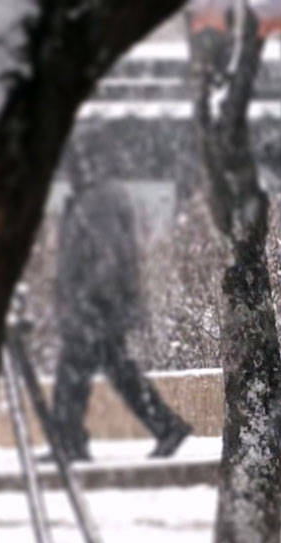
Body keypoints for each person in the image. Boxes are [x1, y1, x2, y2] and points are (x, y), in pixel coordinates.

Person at [51, 176, 191, 461]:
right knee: (117, 372)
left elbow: (108, 258)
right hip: (97, 308)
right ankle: (165, 426)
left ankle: (70, 441)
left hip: (96, 309)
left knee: (75, 374)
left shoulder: (98, 201)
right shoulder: (92, 198)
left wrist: (87, 299)